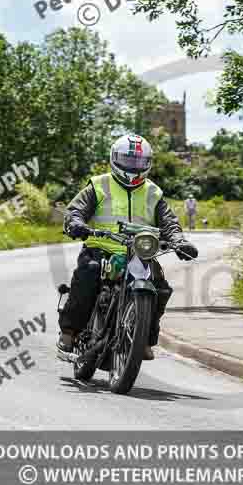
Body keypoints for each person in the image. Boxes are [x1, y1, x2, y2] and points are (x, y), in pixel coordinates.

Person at [58, 134, 198, 361]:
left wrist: (179, 241)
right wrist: (76, 224)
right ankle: (69, 332)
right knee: (89, 273)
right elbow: (76, 210)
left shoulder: (154, 192)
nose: (133, 166)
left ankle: (143, 339)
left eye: (139, 162)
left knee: (160, 288)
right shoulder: (99, 185)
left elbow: (169, 222)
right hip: (101, 249)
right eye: (127, 160)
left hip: (139, 254)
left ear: (148, 163)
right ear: (114, 158)